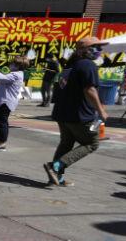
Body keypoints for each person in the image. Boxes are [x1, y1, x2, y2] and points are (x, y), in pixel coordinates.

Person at [44, 36, 110, 187]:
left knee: (66, 143)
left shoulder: (71, 65)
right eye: (96, 47)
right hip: (79, 114)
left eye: (100, 48)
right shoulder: (88, 65)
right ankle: (55, 167)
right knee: (91, 143)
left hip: (63, 113)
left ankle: (56, 177)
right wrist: (101, 111)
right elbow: (90, 89)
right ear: (85, 49)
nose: (99, 51)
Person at [0, 55, 28, 151]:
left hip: (5, 102)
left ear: (18, 66)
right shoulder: (16, 74)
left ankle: (2, 144)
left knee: (1, 123)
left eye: (12, 63)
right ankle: (0, 143)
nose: (10, 65)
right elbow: (2, 77)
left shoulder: (16, 75)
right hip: (4, 101)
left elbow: (0, 78)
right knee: (0, 122)